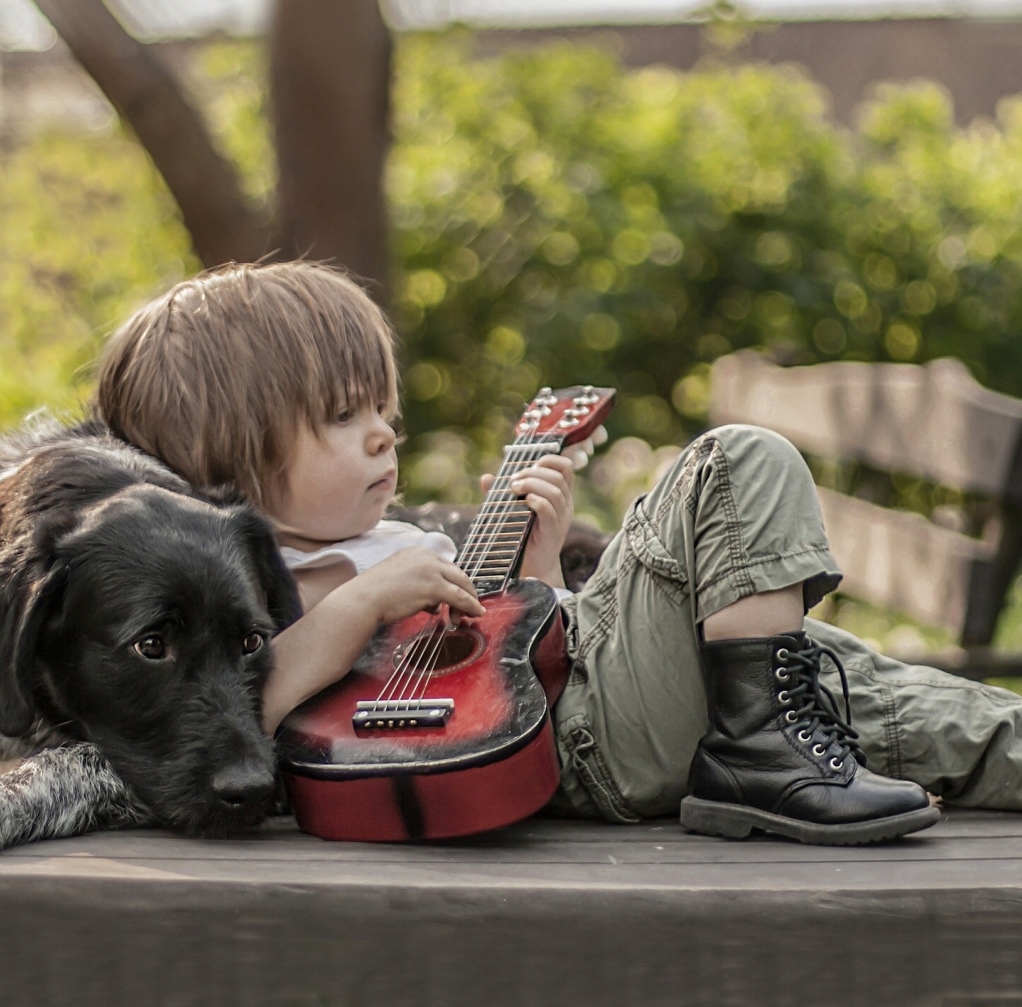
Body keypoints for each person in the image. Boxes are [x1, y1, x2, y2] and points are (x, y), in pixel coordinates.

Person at [95, 260, 1022, 845]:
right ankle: (765, 753)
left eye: (385, 409)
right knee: (736, 463)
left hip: (603, 714)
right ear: (229, 459)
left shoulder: (399, 539)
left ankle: (780, 736)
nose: (383, 435)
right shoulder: (242, 587)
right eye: (344, 417)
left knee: (884, 695)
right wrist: (360, 603)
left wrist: (538, 574)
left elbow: (521, 653)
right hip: (574, 744)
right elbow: (222, 716)